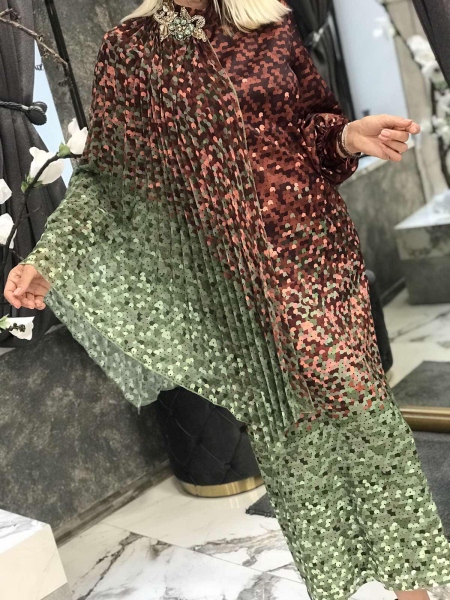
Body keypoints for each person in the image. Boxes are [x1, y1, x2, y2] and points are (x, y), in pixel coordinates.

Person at [4, 0, 450, 598]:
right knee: (293, 436)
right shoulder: (131, 50)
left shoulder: (268, 17)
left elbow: (310, 125)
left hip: (317, 249)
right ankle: (341, 582)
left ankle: (413, 586)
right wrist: (48, 258)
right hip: (238, 283)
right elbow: (108, 178)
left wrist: (346, 136)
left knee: (360, 407)